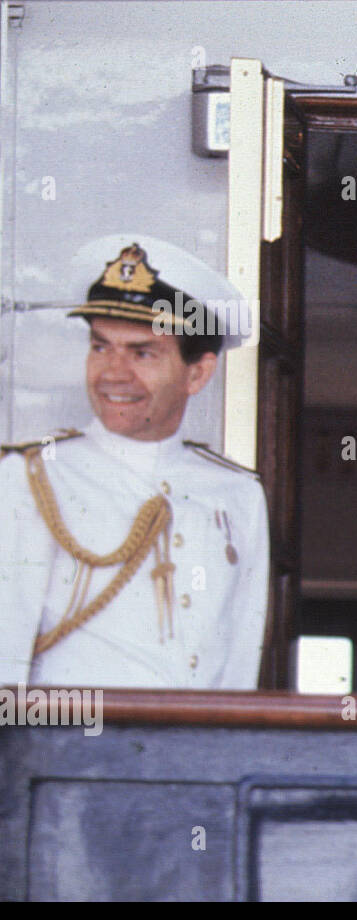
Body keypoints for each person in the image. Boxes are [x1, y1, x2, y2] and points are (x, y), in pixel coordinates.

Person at [0, 235, 269, 689]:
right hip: (66, 753)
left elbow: (239, 670)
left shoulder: (238, 495)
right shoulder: (29, 479)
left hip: (193, 754)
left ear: (198, 373)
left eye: (142, 352)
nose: (112, 373)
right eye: (101, 346)